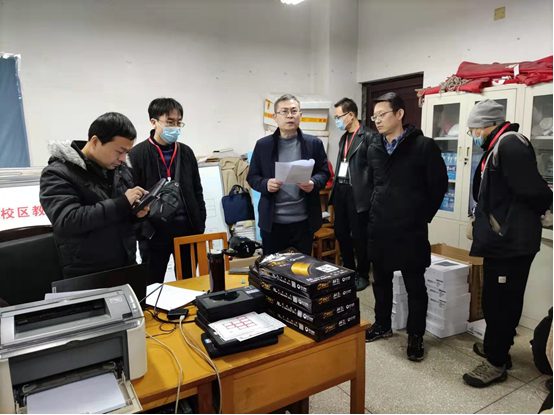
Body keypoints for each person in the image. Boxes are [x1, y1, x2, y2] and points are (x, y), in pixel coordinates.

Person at [463, 100, 553, 388]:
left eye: (473, 129)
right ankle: (497, 347)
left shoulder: (510, 144)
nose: (473, 135)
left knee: (502, 302)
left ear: (486, 125)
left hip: (511, 243)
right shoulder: (497, 146)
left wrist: (512, 222)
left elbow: (535, 191)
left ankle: (496, 362)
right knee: (495, 299)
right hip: (502, 241)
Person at [365, 92, 448, 362]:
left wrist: (421, 216)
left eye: (382, 114)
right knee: (381, 281)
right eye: (374, 116)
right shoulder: (374, 147)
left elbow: (438, 186)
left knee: (415, 285)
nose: (377, 120)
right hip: (380, 225)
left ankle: (415, 336)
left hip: (411, 228)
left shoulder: (423, 146)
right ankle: (382, 324)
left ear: (399, 114)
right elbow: (372, 184)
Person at [40, 112, 149, 279]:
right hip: (87, 272)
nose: (123, 158)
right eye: (119, 151)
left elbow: (120, 216)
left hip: (126, 263)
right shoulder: (58, 173)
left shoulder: (120, 170)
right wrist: (121, 203)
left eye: (127, 152)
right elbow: (67, 220)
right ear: (95, 141)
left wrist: (136, 213)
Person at [130, 98, 206, 284]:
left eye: (179, 123)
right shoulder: (137, 154)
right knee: (152, 285)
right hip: (154, 232)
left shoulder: (186, 152)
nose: (176, 127)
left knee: (189, 283)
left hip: (187, 229)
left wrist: (199, 223)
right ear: (154, 122)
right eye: (170, 122)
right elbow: (132, 196)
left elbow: (197, 190)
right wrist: (141, 231)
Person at [247, 94, 330, 256]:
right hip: (273, 223)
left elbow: (324, 172)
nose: (290, 116)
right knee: (273, 268)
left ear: (300, 115)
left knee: (301, 267)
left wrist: (313, 183)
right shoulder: (263, 145)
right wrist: (265, 184)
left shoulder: (313, 143)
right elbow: (252, 177)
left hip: (303, 222)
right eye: (284, 111)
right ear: (275, 117)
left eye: (294, 111)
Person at [330, 97, 377, 292]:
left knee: (359, 236)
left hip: (358, 192)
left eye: (338, 117)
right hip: (341, 189)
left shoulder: (369, 136)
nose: (336, 121)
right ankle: (348, 270)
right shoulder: (344, 138)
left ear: (351, 115)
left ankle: (363, 274)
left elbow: (374, 170)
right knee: (340, 232)